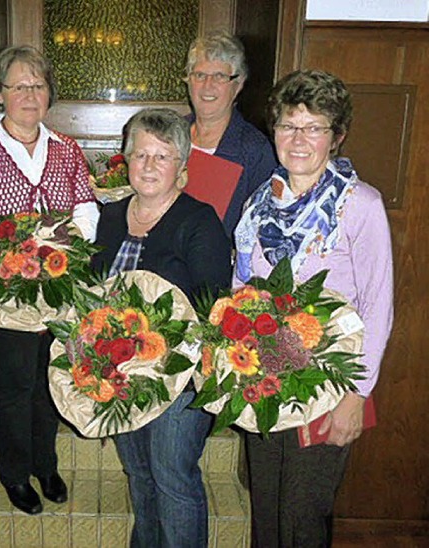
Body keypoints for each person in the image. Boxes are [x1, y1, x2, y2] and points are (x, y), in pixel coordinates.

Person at [234, 70, 394, 547]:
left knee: (303, 515)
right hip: (263, 381)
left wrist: (356, 396)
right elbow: (240, 289)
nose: (298, 139)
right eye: (288, 125)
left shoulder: (360, 206)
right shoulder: (258, 205)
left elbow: (379, 305)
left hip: (327, 383)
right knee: (265, 506)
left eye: (314, 126)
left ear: (336, 136)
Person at [0, 45, 99, 515]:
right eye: (19, 86)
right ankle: (13, 472)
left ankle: (45, 464)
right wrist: (13, 246)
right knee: (13, 382)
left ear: (49, 94)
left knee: (49, 375)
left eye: (38, 85)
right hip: (4, 286)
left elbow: (88, 210)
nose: (30, 94)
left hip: (56, 280)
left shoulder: (67, 148)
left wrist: (60, 243)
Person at [92, 108, 232, 548]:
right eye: (140, 154)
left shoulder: (200, 221)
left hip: (180, 378)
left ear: (182, 168)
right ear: (125, 160)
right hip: (120, 377)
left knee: (173, 478)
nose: (149, 166)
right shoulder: (110, 216)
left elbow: (214, 307)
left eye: (163, 156)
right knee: (139, 473)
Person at [184, 31, 277, 237]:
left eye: (219, 76)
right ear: (189, 80)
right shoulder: (169, 135)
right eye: (200, 75)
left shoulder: (256, 151)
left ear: (238, 84)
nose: (207, 86)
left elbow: (261, 229)